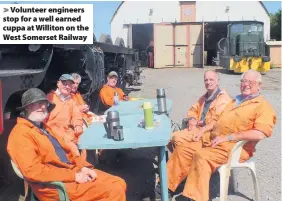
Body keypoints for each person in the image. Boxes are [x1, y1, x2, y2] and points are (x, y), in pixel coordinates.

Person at [142, 69, 277, 201]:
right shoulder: (235, 100)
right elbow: (217, 121)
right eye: (244, 81)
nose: (246, 84)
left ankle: (193, 197)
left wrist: (229, 137)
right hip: (213, 139)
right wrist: (202, 130)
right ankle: (164, 189)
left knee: (201, 157)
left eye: (251, 82)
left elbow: (259, 133)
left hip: (233, 147)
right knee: (183, 149)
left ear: (259, 86)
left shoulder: (262, 106)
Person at [7, 88, 126, 201]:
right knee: (114, 191)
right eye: (37, 103)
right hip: (53, 186)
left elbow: (68, 153)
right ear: (26, 108)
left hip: (70, 172)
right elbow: (34, 171)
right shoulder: (20, 134)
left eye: (44, 103)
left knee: (120, 183)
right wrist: (74, 176)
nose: (43, 107)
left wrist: (83, 167)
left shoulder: (44, 128)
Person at [168, 70, 232, 152]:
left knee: (177, 138)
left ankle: (186, 159)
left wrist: (202, 129)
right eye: (206, 80)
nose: (208, 82)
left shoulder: (223, 99)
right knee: (168, 138)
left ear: (218, 82)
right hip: (197, 128)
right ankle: (182, 158)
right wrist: (192, 120)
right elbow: (193, 110)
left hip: (209, 133)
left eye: (211, 79)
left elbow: (218, 121)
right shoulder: (205, 97)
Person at [45, 74, 83, 156]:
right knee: (72, 148)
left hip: (68, 131)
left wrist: (78, 125)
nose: (67, 86)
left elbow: (76, 114)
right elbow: (43, 121)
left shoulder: (71, 100)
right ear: (58, 83)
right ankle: (78, 166)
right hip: (53, 132)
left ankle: (86, 163)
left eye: (69, 84)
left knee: (84, 140)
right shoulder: (50, 97)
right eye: (64, 83)